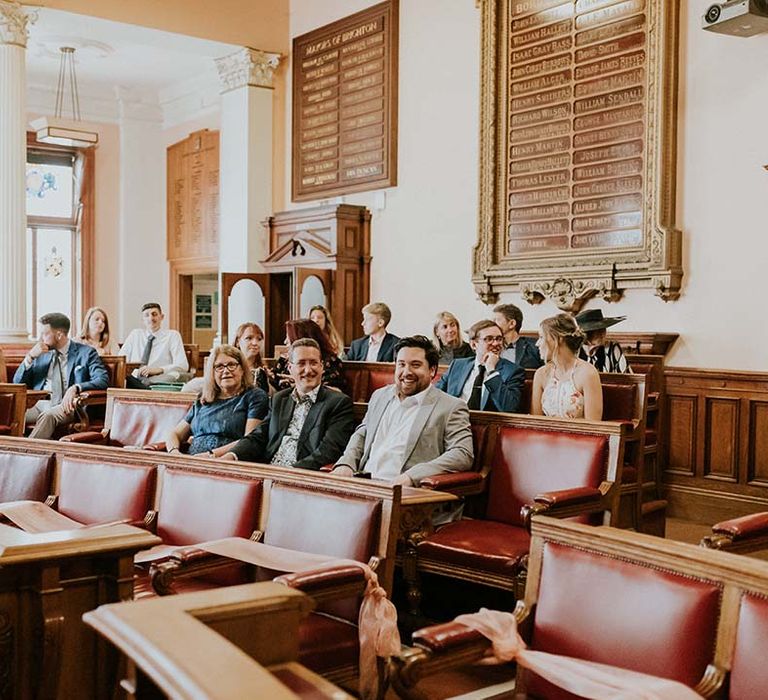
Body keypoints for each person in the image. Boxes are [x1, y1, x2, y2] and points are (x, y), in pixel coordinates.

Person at [333, 335, 473, 486]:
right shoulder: (379, 396)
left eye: (415, 365)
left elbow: (462, 454)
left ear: (432, 370)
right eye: (401, 364)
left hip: (408, 493)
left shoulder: (451, 407)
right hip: (364, 485)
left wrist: (413, 477)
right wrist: (346, 463)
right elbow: (363, 433)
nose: (406, 372)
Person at [224, 339, 355, 469]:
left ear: (322, 367)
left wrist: (290, 473)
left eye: (314, 363)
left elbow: (328, 451)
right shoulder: (279, 399)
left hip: (302, 476)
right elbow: (258, 436)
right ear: (290, 368)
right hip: (269, 470)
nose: (308, 370)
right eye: (301, 363)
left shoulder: (339, 403)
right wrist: (232, 455)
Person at [14, 312, 109, 439]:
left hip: (67, 406)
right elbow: (18, 383)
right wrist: (30, 357)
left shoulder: (86, 353)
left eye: (45, 334)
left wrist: (76, 387)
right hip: (39, 403)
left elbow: (102, 380)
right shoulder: (41, 353)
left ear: (59, 335)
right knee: (9, 413)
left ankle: (27, 455)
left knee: (48, 416)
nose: (41, 338)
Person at [165, 345, 269, 457]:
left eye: (231, 365)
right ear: (212, 373)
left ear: (242, 369)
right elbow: (175, 434)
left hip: (226, 462)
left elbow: (249, 441)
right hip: (193, 461)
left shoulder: (255, 396)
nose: (226, 371)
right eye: (219, 367)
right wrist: (174, 453)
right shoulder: (204, 398)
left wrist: (210, 455)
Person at [436, 319, 526, 413]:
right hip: (452, 420)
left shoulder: (513, 371)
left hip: (486, 425)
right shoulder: (458, 365)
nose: (495, 343)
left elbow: (509, 408)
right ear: (474, 344)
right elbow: (435, 395)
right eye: (489, 339)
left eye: (499, 339)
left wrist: (491, 371)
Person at [532, 313, 602, 421]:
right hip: (545, 436)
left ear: (559, 339)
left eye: (542, 337)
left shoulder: (588, 373)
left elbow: (594, 424)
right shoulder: (541, 374)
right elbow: (535, 420)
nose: (537, 343)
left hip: (580, 436)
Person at [119, 302, 189, 389]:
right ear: (142, 319)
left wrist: (158, 369)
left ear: (162, 317)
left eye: (154, 314)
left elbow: (183, 365)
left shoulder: (172, 335)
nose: (151, 318)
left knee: (175, 376)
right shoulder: (135, 334)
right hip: (135, 379)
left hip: (159, 379)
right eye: (147, 315)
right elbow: (120, 360)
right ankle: (145, 389)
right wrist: (135, 371)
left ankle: (147, 389)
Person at [271, 318, 346, 393]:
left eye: (289, 337)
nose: (285, 341)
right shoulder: (284, 360)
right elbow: (274, 391)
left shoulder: (329, 362)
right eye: (301, 363)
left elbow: (337, 394)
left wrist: (302, 384)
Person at [575, 309, 633, 374]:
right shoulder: (574, 351)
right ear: (587, 334)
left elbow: (626, 377)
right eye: (598, 330)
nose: (603, 333)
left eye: (604, 329)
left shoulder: (612, 348)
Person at [492, 303, 543, 369]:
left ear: (512, 324)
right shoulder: (490, 346)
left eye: (496, 320)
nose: (492, 324)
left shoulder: (535, 346)